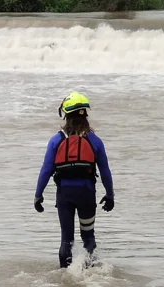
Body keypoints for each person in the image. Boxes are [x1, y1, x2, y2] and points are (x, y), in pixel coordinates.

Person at [33, 91, 115, 268]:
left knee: (66, 240)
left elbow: (46, 170)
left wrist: (38, 196)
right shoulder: (95, 141)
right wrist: (110, 195)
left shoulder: (56, 140)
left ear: (66, 115)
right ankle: (91, 277)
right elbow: (105, 172)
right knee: (88, 237)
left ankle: (65, 278)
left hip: (64, 196)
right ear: (85, 114)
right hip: (86, 194)